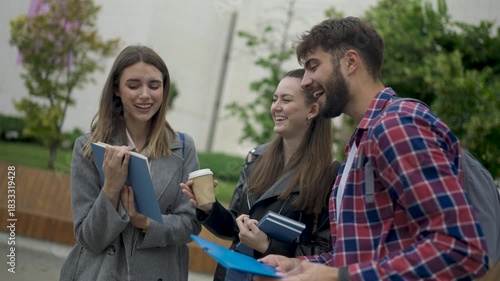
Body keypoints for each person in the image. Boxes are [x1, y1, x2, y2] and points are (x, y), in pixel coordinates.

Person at [257, 17, 489, 281]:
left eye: (313, 66)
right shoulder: (362, 140)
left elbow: (459, 248)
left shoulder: (397, 125)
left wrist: (338, 277)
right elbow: (358, 257)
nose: (305, 82)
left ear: (350, 62)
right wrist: (300, 266)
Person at [180, 69, 340, 281]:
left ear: (312, 110)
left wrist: (267, 245)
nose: (276, 107)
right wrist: (209, 208)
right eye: (274, 99)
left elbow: (326, 252)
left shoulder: (332, 174)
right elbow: (232, 228)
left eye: (286, 99)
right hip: (232, 275)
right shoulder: (255, 158)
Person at [59, 45, 201, 281]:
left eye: (154, 85)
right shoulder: (88, 148)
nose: (145, 94)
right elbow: (89, 237)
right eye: (133, 85)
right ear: (116, 89)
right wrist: (111, 189)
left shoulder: (184, 147)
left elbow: (190, 225)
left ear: (164, 89)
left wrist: (145, 222)